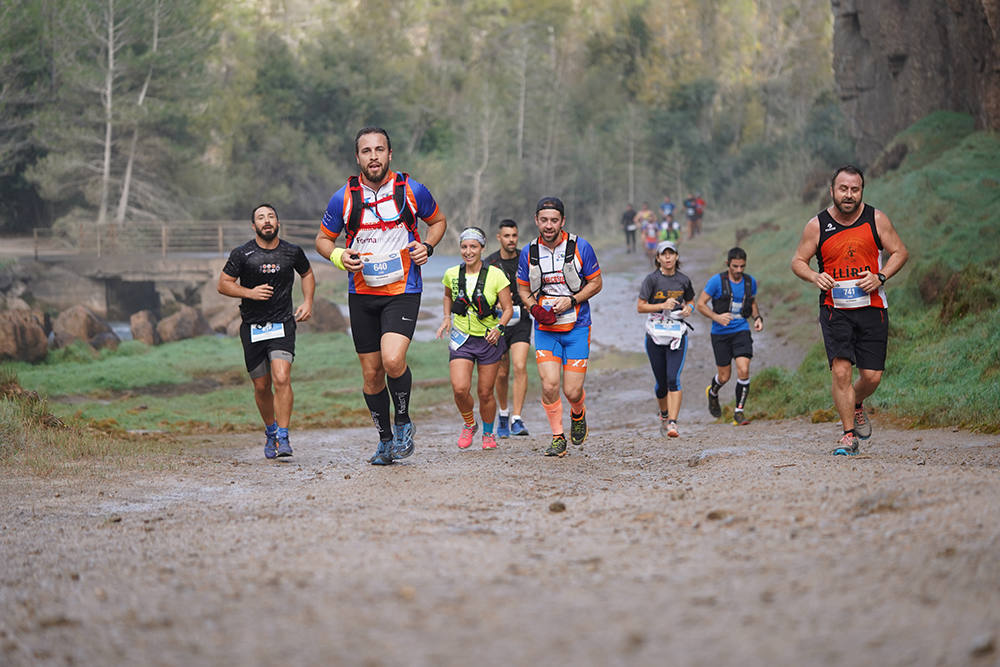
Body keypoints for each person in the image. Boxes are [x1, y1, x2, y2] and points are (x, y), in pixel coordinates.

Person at [315, 127, 447, 466]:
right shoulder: (343, 197)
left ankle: (403, 420)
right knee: (372, 374)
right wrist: (338, 256)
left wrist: (427, 246)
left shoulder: (411, 190)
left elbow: (438, 221)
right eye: (366, 151)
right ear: (357, 157)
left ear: (390, 154)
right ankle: (385, 440)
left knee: (392, 360)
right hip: (361, 292)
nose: (373, 156)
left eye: (379, 150)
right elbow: (323, 240)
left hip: (403, 289)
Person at [791, 164, 908, 455]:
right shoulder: (817, 225)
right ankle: (847, 436)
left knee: (872, 377)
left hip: (872, 306)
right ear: (832, 191)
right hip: (835, 309)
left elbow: (900, 252)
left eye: (855, 189)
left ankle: (856, 403)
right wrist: (814, 276)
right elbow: (798, 261)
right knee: (841, 371)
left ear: (861, 192)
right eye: (843, 189)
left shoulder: (876, 219)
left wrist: (880, 276)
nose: (849, 195)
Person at [218, 203, 315, 459]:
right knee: (262, 386)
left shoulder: (292, 252)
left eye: (271, 216)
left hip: (282, 323)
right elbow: (223, 284)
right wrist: (249, 292)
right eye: (261, 218)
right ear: (254, 226)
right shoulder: (242, 254)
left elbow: (307, 273)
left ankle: (283, 437)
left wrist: (308, 302)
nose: (267, 220)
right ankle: (271, 432)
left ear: (278, 223)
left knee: (282, 377)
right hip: (253, 326)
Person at [517, 196, 602, 457]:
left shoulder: (580, 247)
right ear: (536, 221)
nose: (549, 225)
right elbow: (522, 287)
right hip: (545, 330)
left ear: (562, 221)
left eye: (554, 220)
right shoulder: (529, 252)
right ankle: (557, 437)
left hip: (577, 327)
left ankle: (578, 413)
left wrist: (572, 300)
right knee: (549, 385)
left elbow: (596, 283)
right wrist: (534, 308)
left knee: (572, 390)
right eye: (544, 220)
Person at [436, 227, 513, 450]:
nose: (468, 251)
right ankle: (470, 423)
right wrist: (446, 318)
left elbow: (507, 309)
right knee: (460, 388)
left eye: (473, 247)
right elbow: (447, 296)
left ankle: (488, 434)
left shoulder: (496, 275)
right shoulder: (451, 274)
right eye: (464, 247)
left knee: (485, 392)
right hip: (462, 339)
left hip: (489, 340)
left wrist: (499, 328)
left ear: (482, 248)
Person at [696, 247, 763, 426]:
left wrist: (757, 318)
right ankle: (713, 392)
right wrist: (716, 317)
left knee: (744, 369)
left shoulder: (750, 282)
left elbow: (752, 301)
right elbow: (700, 304)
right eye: (735, 266)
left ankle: (739, 412)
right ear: (728, 264)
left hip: (741, 330)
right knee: (724, 376)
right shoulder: (716, 281)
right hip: (720, 334)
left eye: (742, 266)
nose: (739, 270)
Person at [637, 240, 696, 437]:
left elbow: (691, 301)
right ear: (658, 258)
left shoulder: (684, 280)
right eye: (664, 254)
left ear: (677, 257)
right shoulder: (651, 280)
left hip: (677, 335)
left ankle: (673, 423)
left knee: (673, 378)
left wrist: (689, 309)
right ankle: (664, 415)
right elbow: (640, 306)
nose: (668, 257)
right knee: (661, 383)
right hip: (655, 335)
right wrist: (662, 305)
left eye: (671, 254)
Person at [485, 219, 532, 437]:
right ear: (499, 238)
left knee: (520, 365)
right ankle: (503, 415)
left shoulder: (527, 258)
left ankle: (517, 419)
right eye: (507, 236)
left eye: (514, 235)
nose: (511, 240)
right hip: (498, 323)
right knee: (502, 373)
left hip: (522, 319)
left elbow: (538, 283)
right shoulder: (490, 263)